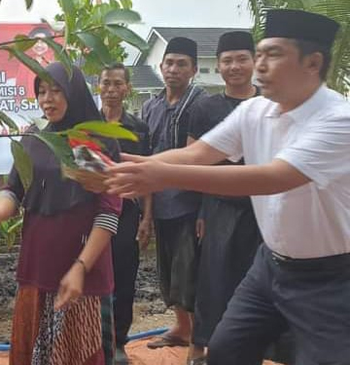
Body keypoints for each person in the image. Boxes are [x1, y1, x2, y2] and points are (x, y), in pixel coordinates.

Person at [106, 10, 350, 365]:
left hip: (330, 277)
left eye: (273, 54)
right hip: (271, 266)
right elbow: (198, 153)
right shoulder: (255, 111)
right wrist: (131, 164)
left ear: (313, 62)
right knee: (225, 350)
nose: (260, 64)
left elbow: (272, 178)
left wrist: (162, 176)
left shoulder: (338, 120)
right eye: (261, 53)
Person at [0, 62, 122, 365]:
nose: (47, 98)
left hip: (80, 270)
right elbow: (15, 187)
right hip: (37, 265)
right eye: (41, 91)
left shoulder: (86, 141)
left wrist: (81, 266)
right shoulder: (35, 137)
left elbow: (108, 211)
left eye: (56, 90)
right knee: (35, 351)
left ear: (75, 92)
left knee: (82, 351)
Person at [185, 31, 263, 364]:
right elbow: (191, 158)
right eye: (227, 60)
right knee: (213, 278)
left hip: (263, 205)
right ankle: (199, 347)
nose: (235, 66)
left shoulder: (269, 105)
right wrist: (202, 209)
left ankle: (254, 350)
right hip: (217, 206)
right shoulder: (205, 107)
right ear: (217, 66)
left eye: (241, 58)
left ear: (255, 61)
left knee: (257, 278)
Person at [139, 37, 207, 349]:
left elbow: (210, 160)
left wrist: (205, 210)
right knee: (166, 271)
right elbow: (144, 156)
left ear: (193, 69)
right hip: (160, 201)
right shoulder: (149, 107)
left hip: (191, 204)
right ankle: (182, 328)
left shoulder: (202, 105)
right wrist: (147, 213)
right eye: (169, 63)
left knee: (189, 272)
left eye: (182, 64)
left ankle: (198, 336)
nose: (174, 69)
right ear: (160, 66)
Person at [99, 63, 153, 363]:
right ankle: (93, 340)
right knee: (93, 276)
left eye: (117, 83)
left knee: (124, 277)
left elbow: (148, 175)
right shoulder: (87, 125)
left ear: (127, 88)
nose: (111, 89)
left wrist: (147, 217)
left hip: (127, 212)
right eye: (106, 83)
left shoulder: (138, 129)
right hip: (92, 214)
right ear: (99, 86)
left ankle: (119, 341)